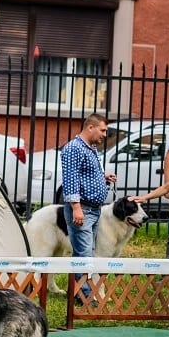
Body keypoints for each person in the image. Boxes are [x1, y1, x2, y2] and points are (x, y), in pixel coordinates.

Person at [61, 113, 117, 299]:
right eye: (102, 130)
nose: (104, 134)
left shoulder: (90, 148)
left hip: (93, 209)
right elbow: (70, 180)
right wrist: (76, 207)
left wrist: (103, 178)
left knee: (87, 252)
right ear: (90, 127)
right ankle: (85, 296)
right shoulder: (74, 148)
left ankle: (79, 293)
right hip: (82, 209)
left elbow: (85, 175)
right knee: (84, 254)